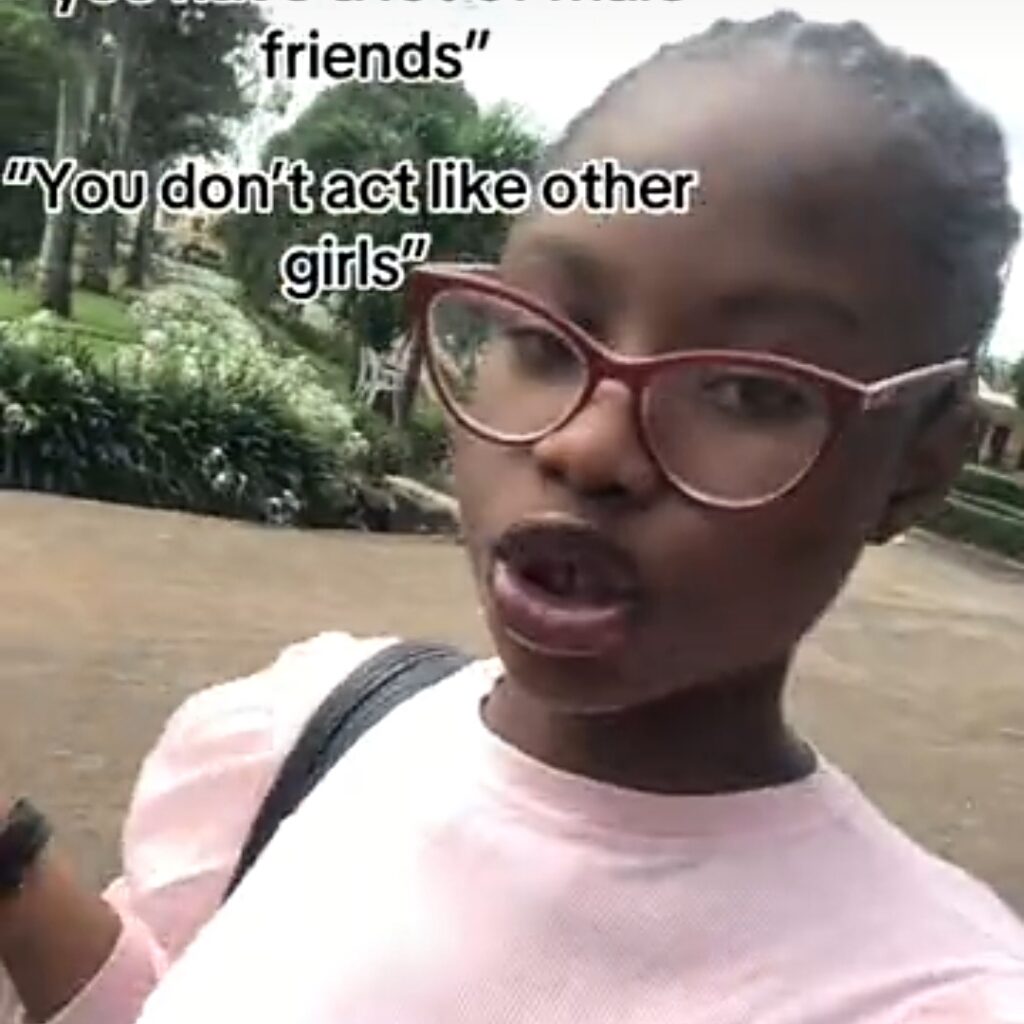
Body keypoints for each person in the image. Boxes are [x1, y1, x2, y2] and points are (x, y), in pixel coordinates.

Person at [2, 10, 1023, 1023]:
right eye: (544, 339)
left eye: (748, 390)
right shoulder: (319, 730)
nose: (585, 446)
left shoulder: (926, 994)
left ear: (918, 465)